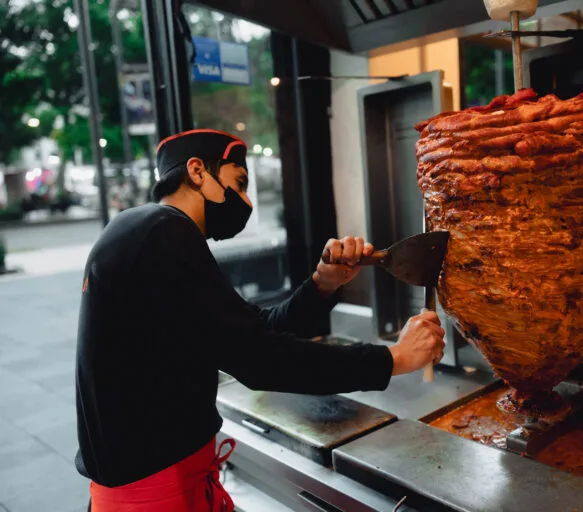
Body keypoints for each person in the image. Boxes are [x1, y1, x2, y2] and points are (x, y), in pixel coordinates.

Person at [75, 129, 445, 511]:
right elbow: (261, 360)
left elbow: (253, 330)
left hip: (164, 484)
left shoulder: (142, 231)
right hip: (158, 497)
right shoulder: (164, 233)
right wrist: (393, 359)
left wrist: (323, 284)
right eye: (239, 183)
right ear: (197, 171)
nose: (247, 201)